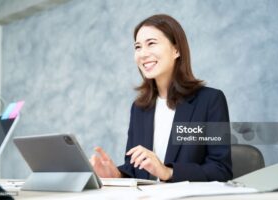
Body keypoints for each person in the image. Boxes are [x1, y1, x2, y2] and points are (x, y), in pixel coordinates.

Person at [90, 14, 233, 182]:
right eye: (138, 47)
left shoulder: (209, 101)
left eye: (151, 43)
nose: (143, 54)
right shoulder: (139, 108)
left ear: (176, 50)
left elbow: (221, 170)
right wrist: (117, 174)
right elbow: (135, 168)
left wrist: (168, 172)